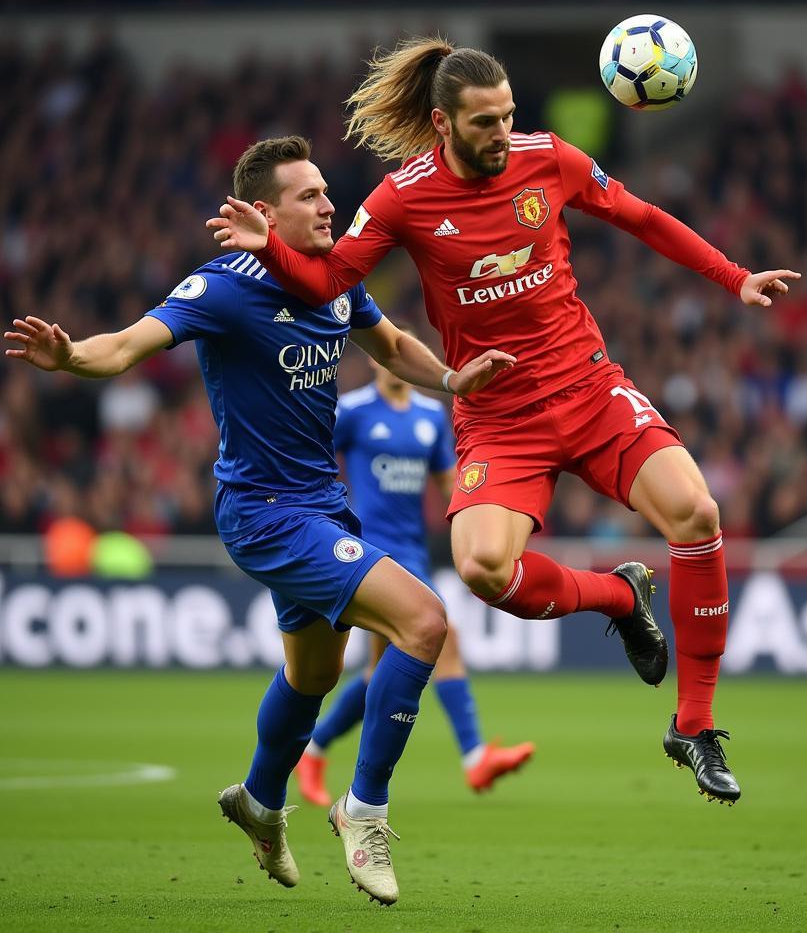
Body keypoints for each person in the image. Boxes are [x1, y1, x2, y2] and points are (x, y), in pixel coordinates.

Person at [207, 38, 803, 804]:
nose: (502, 133)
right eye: (485, 122)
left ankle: (694, 724)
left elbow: (643, 218)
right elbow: (330, 281)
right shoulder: (400, 198)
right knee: (485, 571)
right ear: (442, 123)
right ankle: (621, 597)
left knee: (696, 511)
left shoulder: (548, 159)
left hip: (587, 387)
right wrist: (274, 254)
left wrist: (735, 276)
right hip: (496, 417)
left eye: (509, 115)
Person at [5, 135, 514, 906]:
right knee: (425, 619)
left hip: (321, 507)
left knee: (310, 675)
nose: (328, 204)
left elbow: (391, 343)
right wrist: (71, 355)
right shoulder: (224, 287)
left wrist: (450, 377)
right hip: (264, 513)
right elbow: (124, 347)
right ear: (263, 211)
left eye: (324, 192)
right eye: (308, 195)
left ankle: (258, 800)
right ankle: (362, 809)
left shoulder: (335, 280)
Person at [295, 345, 535, 804]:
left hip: (414, 553)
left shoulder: (429, 416)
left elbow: (449, 481)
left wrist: (484, 507)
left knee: (382, 670)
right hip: (371, 553)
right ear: (374, 361)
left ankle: (315, 749)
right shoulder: (354, 411)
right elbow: (317, 460)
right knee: (440, 643)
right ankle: (474, 757)